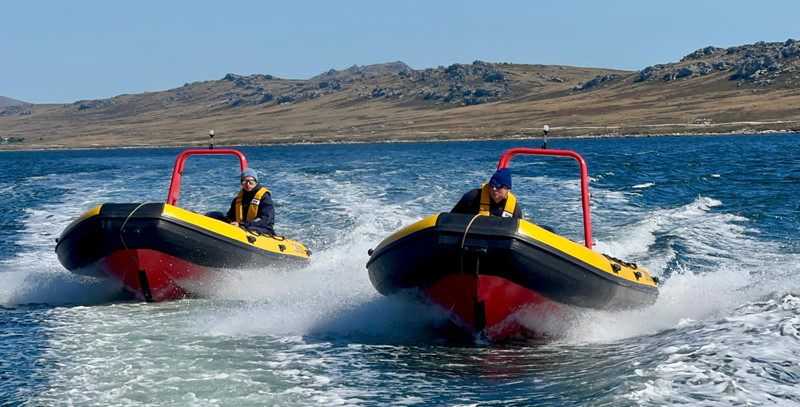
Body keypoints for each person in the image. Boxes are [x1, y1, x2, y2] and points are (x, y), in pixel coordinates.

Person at [451, 167, 522, 218]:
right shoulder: (472, 197)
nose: (494, 189)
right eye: (492, 185)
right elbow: (451, 218)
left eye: (498, 186)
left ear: (507, 188)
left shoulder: (515, 211)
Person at [226, 168, 275, 235]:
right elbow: (231, 216)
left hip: (263, 229)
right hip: (241, 228)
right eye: (244, 181)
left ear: (256, 181)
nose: (248, 184)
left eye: (251, 181)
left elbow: (265, 219)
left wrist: (243, 225)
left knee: (249, 229)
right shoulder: (238, 200)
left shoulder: (264, 198)